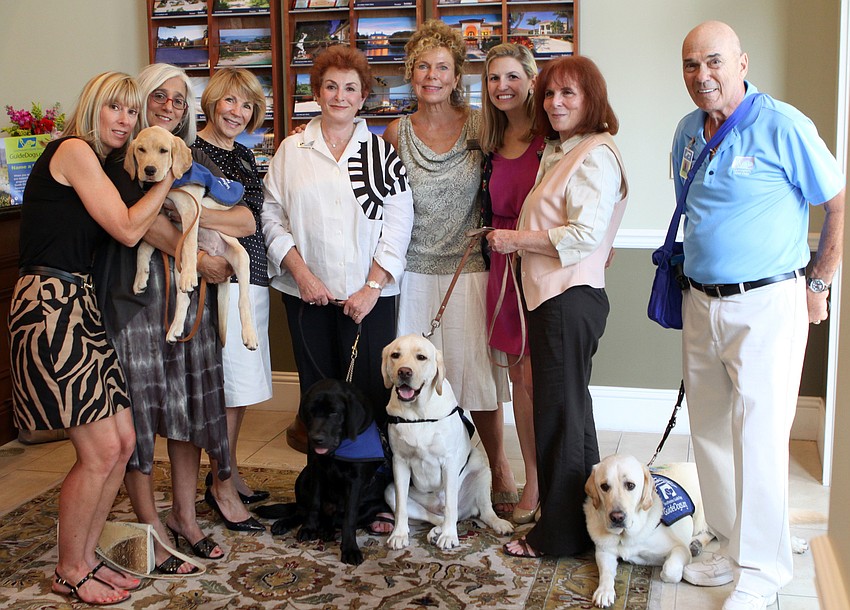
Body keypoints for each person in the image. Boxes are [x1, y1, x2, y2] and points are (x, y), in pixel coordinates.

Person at [672, 22, 845, 610]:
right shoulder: (686, 133)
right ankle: (729, 543)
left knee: (760, 436)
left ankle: (764, 570)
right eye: (692, 66)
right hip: (701, 301)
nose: (703, 77)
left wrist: (820, 280)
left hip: (768, 303)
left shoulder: (783, 124)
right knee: (712, 434)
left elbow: (838, 200)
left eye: (714, 62)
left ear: (741, 62)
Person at [9, 71, 175, 605]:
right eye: (116, 109)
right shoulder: (74, 150)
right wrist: (168, 178)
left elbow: (148, 226)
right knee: (101, 450)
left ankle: (83, 559)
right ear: (93, 108)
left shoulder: (108, 167)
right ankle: (70, 570)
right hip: (48, 304)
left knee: (124, 442)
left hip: (79, 303)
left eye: (132, 112)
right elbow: (129, 229)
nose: (126, 121)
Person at [100, 63, 258, 573]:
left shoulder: (187, 159)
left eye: (178, 99)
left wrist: (199, 222)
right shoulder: (121, 163)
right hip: (137, 304)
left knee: (189, 411)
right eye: (159, 97)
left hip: (190, 304)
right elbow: (140, 230)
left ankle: (187, 518)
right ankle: (151, 527)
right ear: (141, 102)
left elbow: (247, 218)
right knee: (142, 419)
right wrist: (203, 258)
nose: (169, 106)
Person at [262, 46, 413, 531]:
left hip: (367, 299)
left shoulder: (379, 153)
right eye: (331, 86)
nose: (340, 96)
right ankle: (319, 500)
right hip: (307, 295)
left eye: (351, 88)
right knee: (317, 400)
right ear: (316, 91)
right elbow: (271, 216)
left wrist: (372, 286)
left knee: (367, 398)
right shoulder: (291, 151)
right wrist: (301, 274)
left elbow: (399, 222)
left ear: (363, 95)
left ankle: (371, 501)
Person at [496, 55, 629, 558]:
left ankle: (560, 536)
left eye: (568, 94)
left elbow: (583, 235)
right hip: (557, 299)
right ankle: (581, 521)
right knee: (564, 414)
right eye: (549, 94)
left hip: (568, 301)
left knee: (563, 418)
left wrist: (515, 239)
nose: (555, 103)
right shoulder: (563, 151)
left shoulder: (594, 154)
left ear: (592, 99)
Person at [383, 20, 518, 515]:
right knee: (411, 376)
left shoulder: (480, 124)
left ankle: (495, 466)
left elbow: (512, 173)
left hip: (469, 268)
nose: (432, 75)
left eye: (442, 67)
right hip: (411, 272)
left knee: (474, 377)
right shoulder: (395, 131)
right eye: (423, 66)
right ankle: (417, 473)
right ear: (411, 73)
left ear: (457, 75)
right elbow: (379, 201)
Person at [193, 67, 273, 531]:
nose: (237, 112)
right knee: (219, 386)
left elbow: (252, 220)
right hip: (213, 278)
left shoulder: (244, 155)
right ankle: (221, 485)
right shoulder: (191, 151)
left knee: (239, 386)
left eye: (247, 106)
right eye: (230, 101)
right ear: (213, 101)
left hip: (251, 276)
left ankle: (229, 470)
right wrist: (229, 218)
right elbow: (180, 211)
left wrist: (220, 216)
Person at [479, 43, 543, 524]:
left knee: (544, 380)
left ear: (530, 78)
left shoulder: (554, 136)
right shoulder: (490, 143)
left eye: (512, 76)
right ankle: (530, 483)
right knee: (519, 378)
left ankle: (547, 482)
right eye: (493, 78)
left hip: (541, 265)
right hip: (501, 266)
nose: (503, 86)